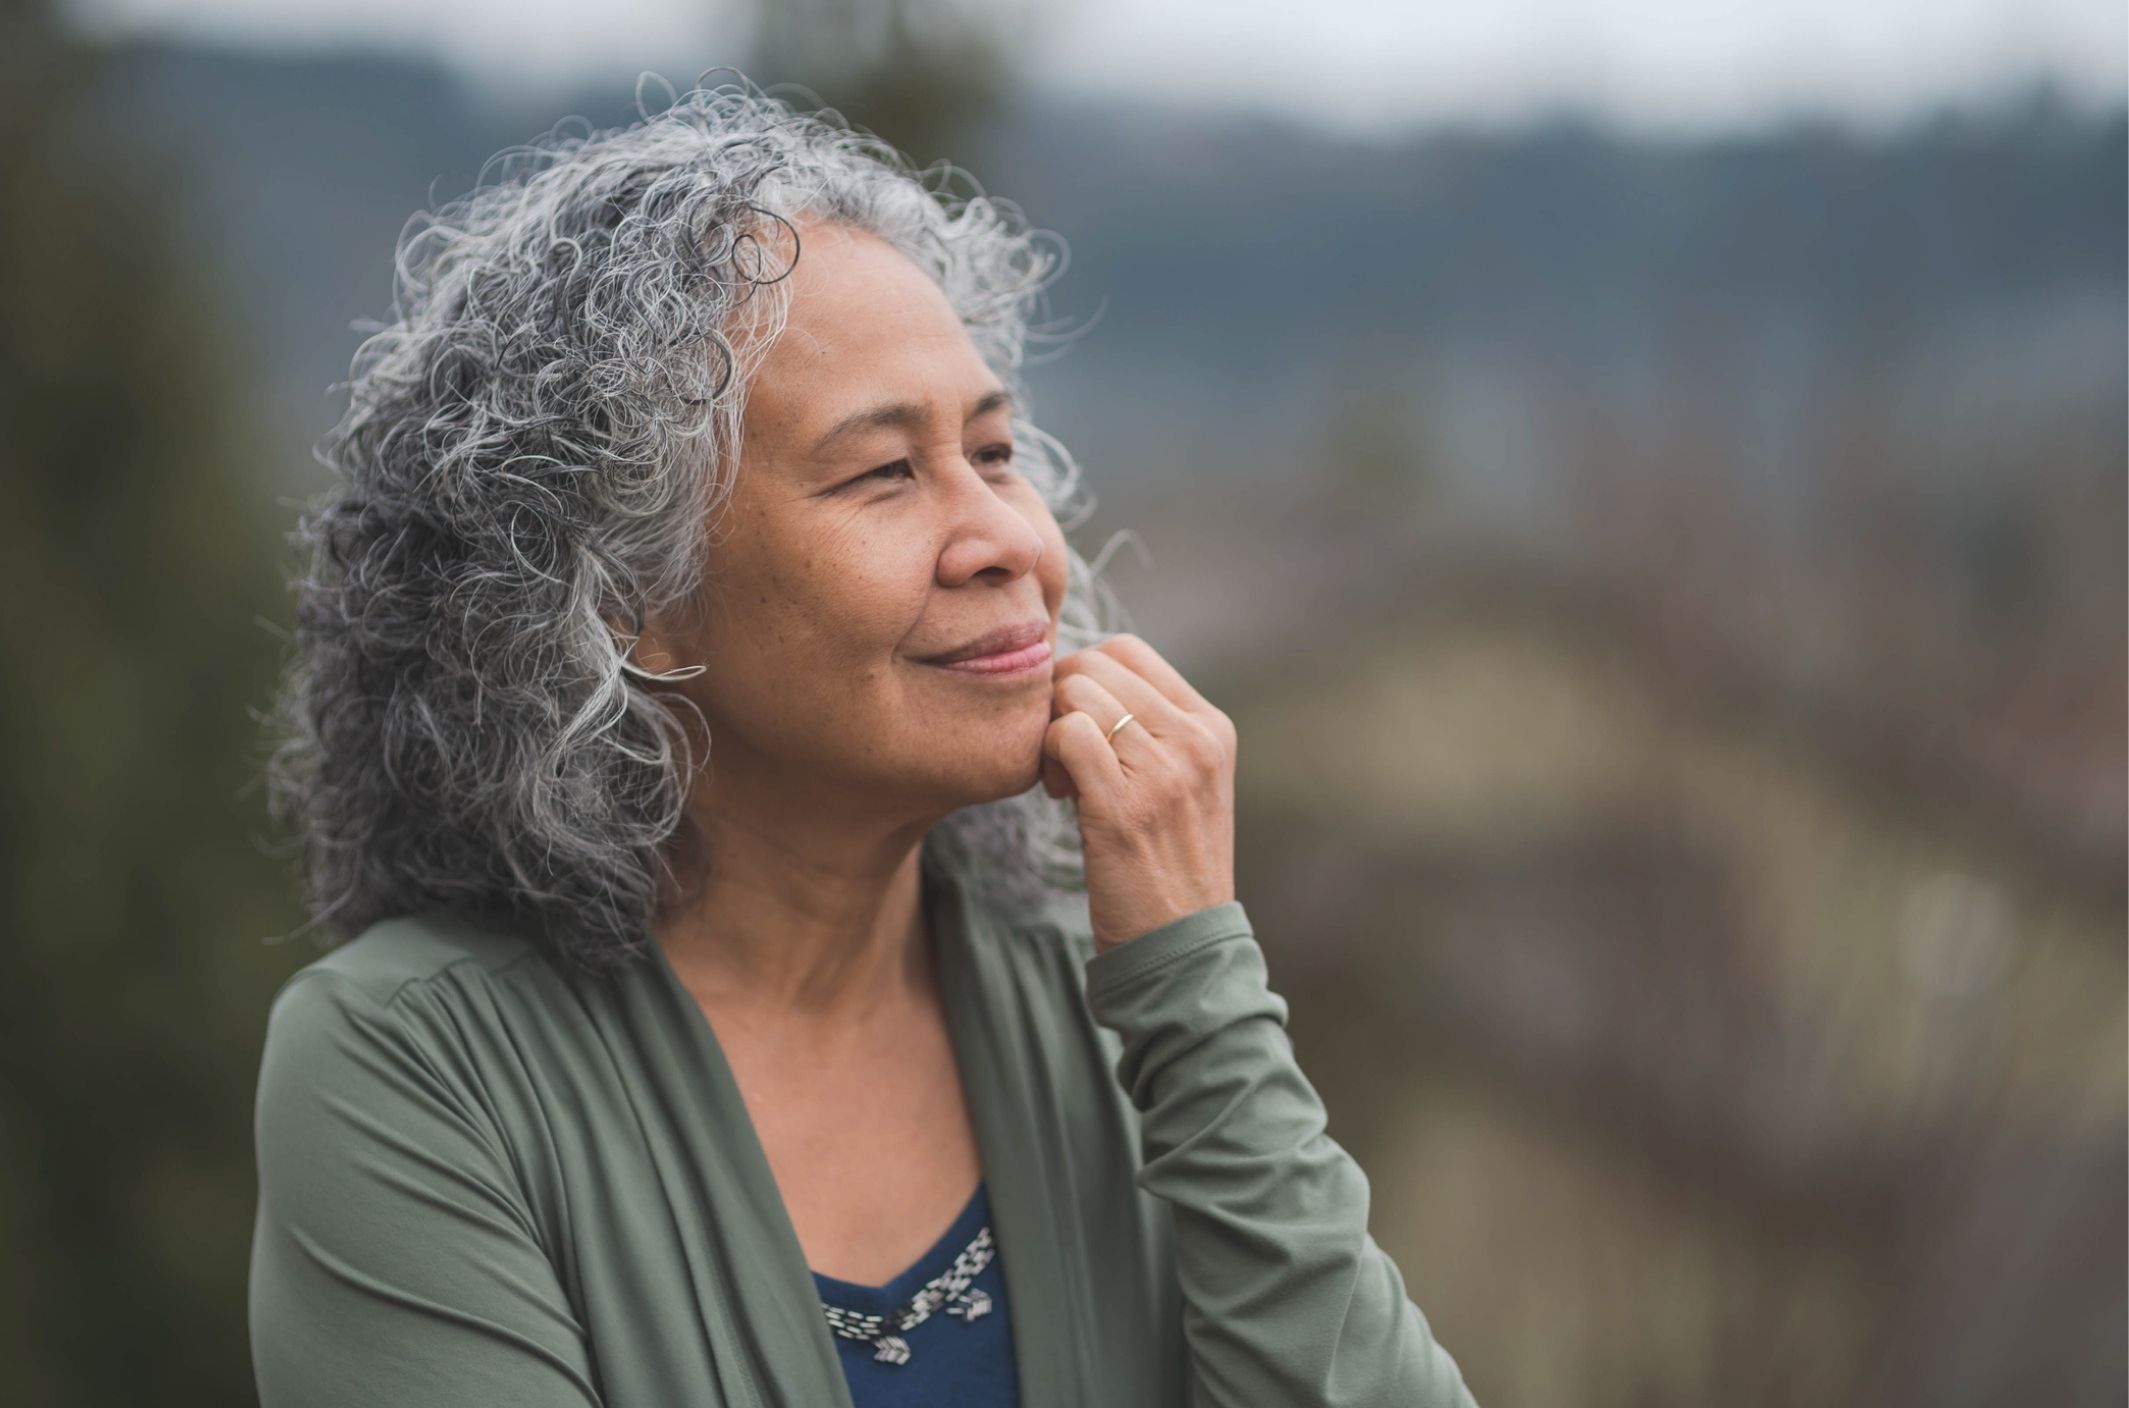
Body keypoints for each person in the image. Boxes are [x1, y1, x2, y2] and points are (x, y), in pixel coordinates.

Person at [248, 74, 1481, 1408]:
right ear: (628, 610)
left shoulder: (1118, 1003)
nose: (1012, 540)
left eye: (997, 452)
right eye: (883, 473)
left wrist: (1195, 993)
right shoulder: (415, 1067)